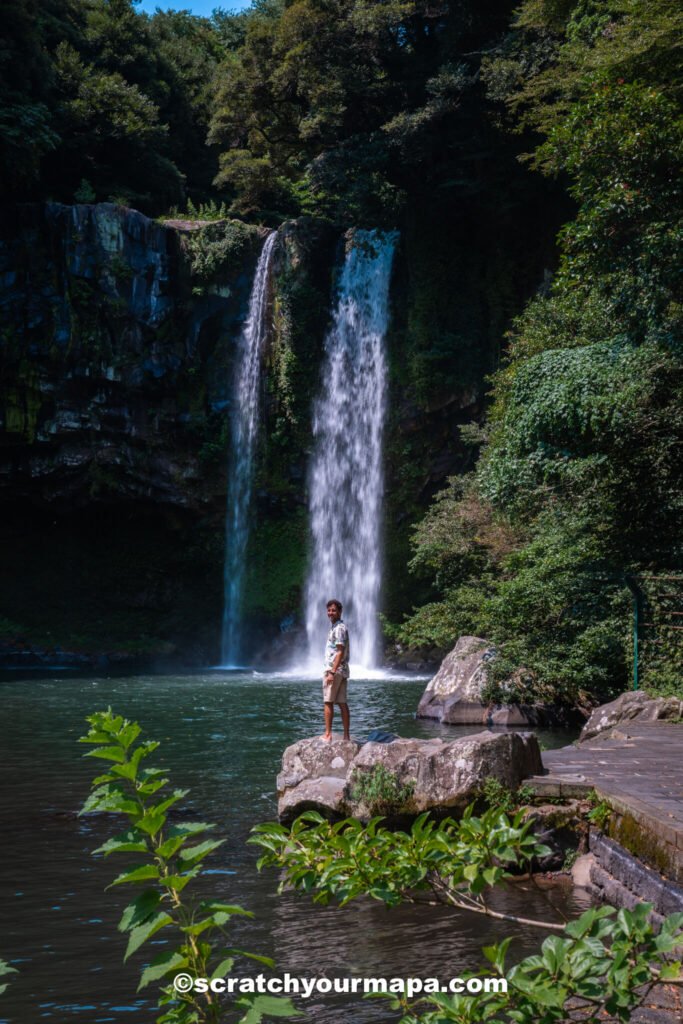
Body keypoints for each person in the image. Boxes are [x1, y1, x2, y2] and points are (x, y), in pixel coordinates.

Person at [322, 598, 350, 741]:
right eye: (329, 610)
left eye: (334, 610)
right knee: (341, 702)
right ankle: (346, 736)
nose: (330, 613)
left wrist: (332, 672)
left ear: (339, 612)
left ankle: (327, 735)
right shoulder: (338, 627)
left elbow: (339, 651)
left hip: (335, 670)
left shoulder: (339, 628)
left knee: (328, 701)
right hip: (342, 670)